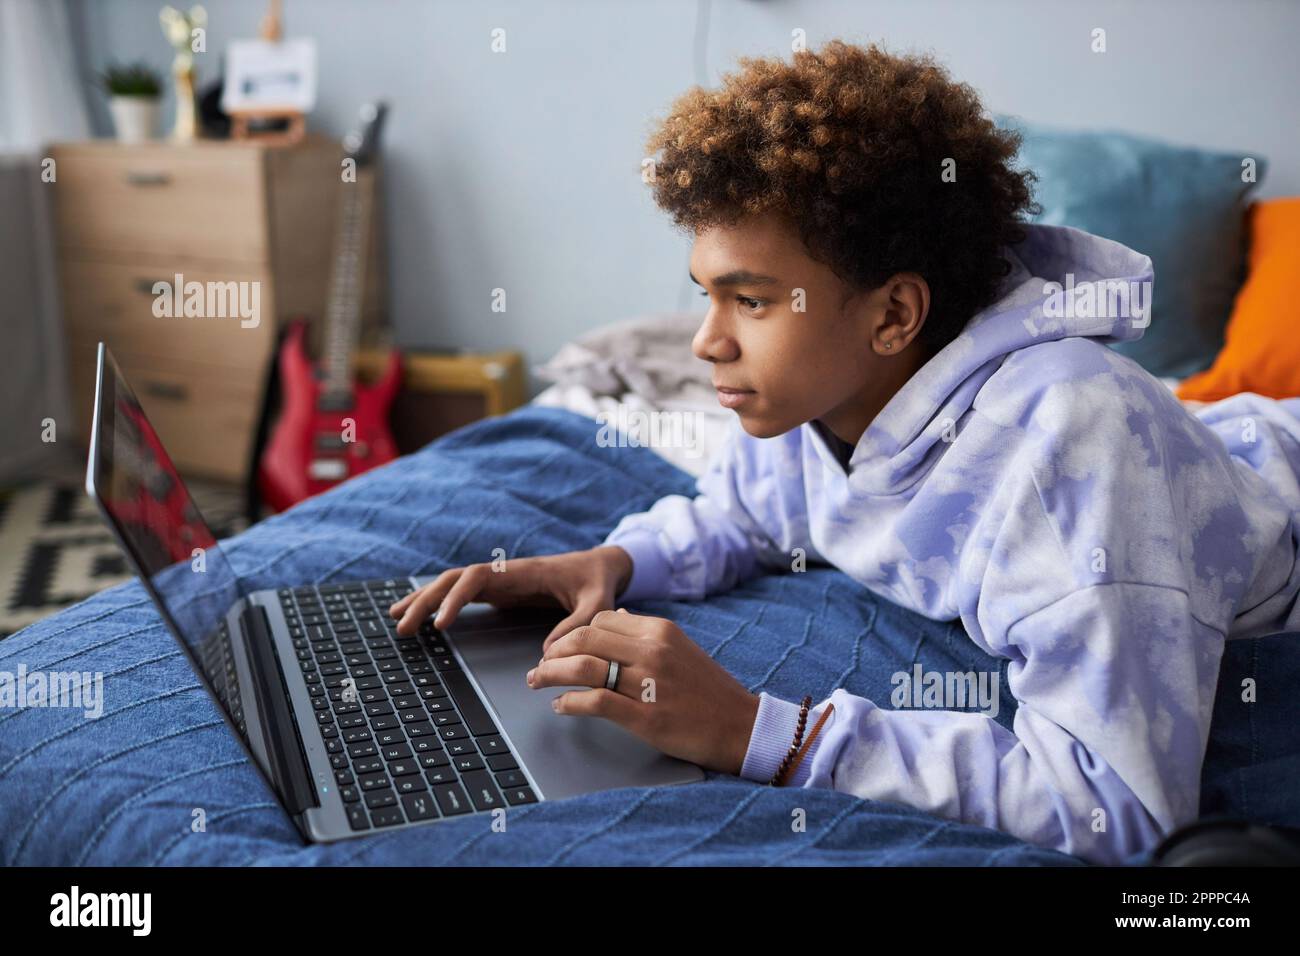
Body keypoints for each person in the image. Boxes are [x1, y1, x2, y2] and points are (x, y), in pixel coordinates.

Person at [390, 40, 1300, 864]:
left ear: (894, 314)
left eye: (750, 302)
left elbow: (1117, 812)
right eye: (706, 295)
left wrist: (760, 730)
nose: (705, 343)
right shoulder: (811, 400)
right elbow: (742, 511)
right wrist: (614, 558)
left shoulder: (1073, 441)